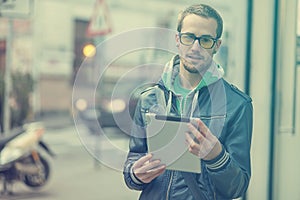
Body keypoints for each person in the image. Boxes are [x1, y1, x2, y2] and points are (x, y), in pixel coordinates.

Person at [123, 4, 253, 200]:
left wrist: (217, 157)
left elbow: (237, 188)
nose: (195, 47)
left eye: (206, 40)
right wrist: (134, 174)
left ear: (217, 46)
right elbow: (133, 160)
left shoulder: (238, 105)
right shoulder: (148, 99)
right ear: (178, 39)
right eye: (189, 37)